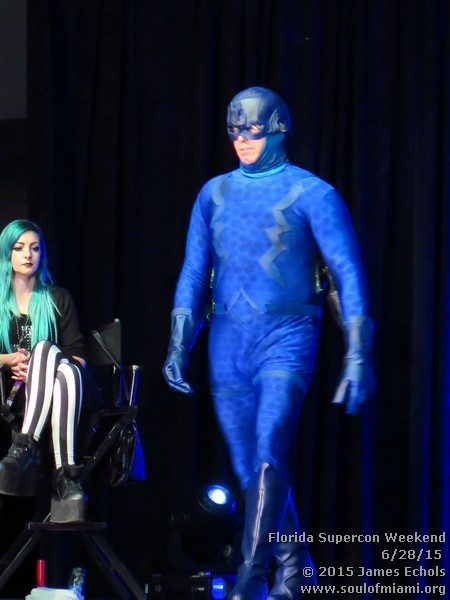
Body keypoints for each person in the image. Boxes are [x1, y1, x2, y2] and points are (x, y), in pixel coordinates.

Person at [163, 87, 375, 599]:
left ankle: (251, 576)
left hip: (287, 333)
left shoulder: (313, 194)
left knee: (267, 446)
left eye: (252, 129)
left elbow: (347, 272)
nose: (241, 139)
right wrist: (178, 344)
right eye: (234, 130)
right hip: (227, 338)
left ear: (278, 128)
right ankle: (296, 567)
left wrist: (358, 352)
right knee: (248, 465)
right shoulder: (213, 194)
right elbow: (194, 271)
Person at [0, 219, 91, 523]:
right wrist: (9, 360)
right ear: (7, 253)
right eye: (19, 248)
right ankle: (67, 477)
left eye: (35, 248)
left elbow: (78, 359)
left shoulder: (57, 298)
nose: (28, 255)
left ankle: (25, 444)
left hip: (61, 397)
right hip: (14, 399)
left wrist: (42, 367)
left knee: (52, 357)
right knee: (53, 361)